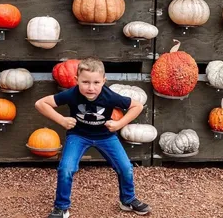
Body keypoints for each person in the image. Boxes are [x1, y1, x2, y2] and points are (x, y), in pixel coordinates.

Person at [35, 57, 151, 218]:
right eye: (85, 82)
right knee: (66, 168)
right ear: (76, 80)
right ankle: (61, 207)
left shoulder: (109, 96)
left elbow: (137, 106)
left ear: (104, 81)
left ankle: (127, 199)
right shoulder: (71, 94)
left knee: (125, 167)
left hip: (106, 136)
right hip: (78, 135)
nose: (91, 87)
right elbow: (41, 104)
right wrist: (61, 120)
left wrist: (119, 124)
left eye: (96, 83)